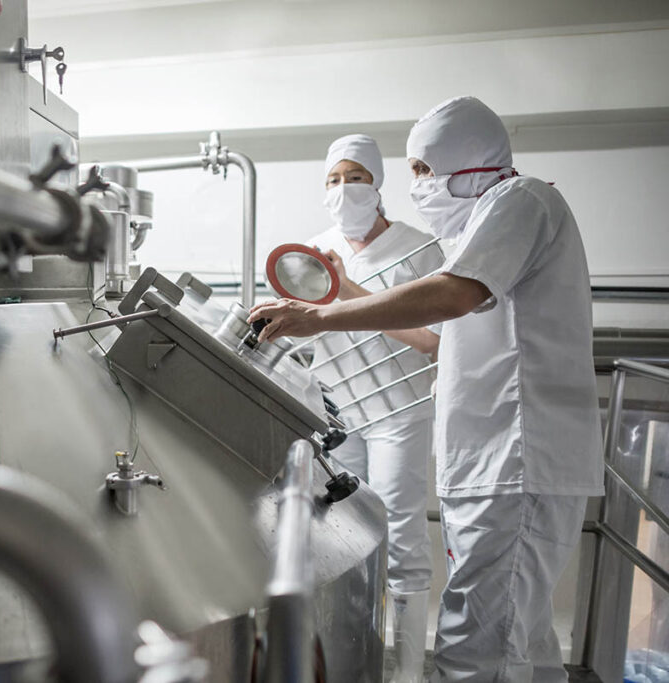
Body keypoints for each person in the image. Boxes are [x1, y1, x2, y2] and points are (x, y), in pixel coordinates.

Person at [251, 96, 603, 682]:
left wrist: (322, 314)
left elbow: (452, 296)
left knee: (480, 650)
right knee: (520, 642)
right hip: (488, 454)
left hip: (517, 454)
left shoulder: (521, 199)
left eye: (421, 169)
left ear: (463, 161)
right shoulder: (483, 221)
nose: (417, 184)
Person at [307, 133, 441, 683]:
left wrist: (348, 288)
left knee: (403, 538)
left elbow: (434, 340)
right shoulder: (313, 250)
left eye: (355, 177)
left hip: (400, 413)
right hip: (339, 416)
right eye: (333, 180)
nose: (344, 190)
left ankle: (407, 672)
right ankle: (353, 663)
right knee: (344, 539)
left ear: (378, 183)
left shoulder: (421, 248)